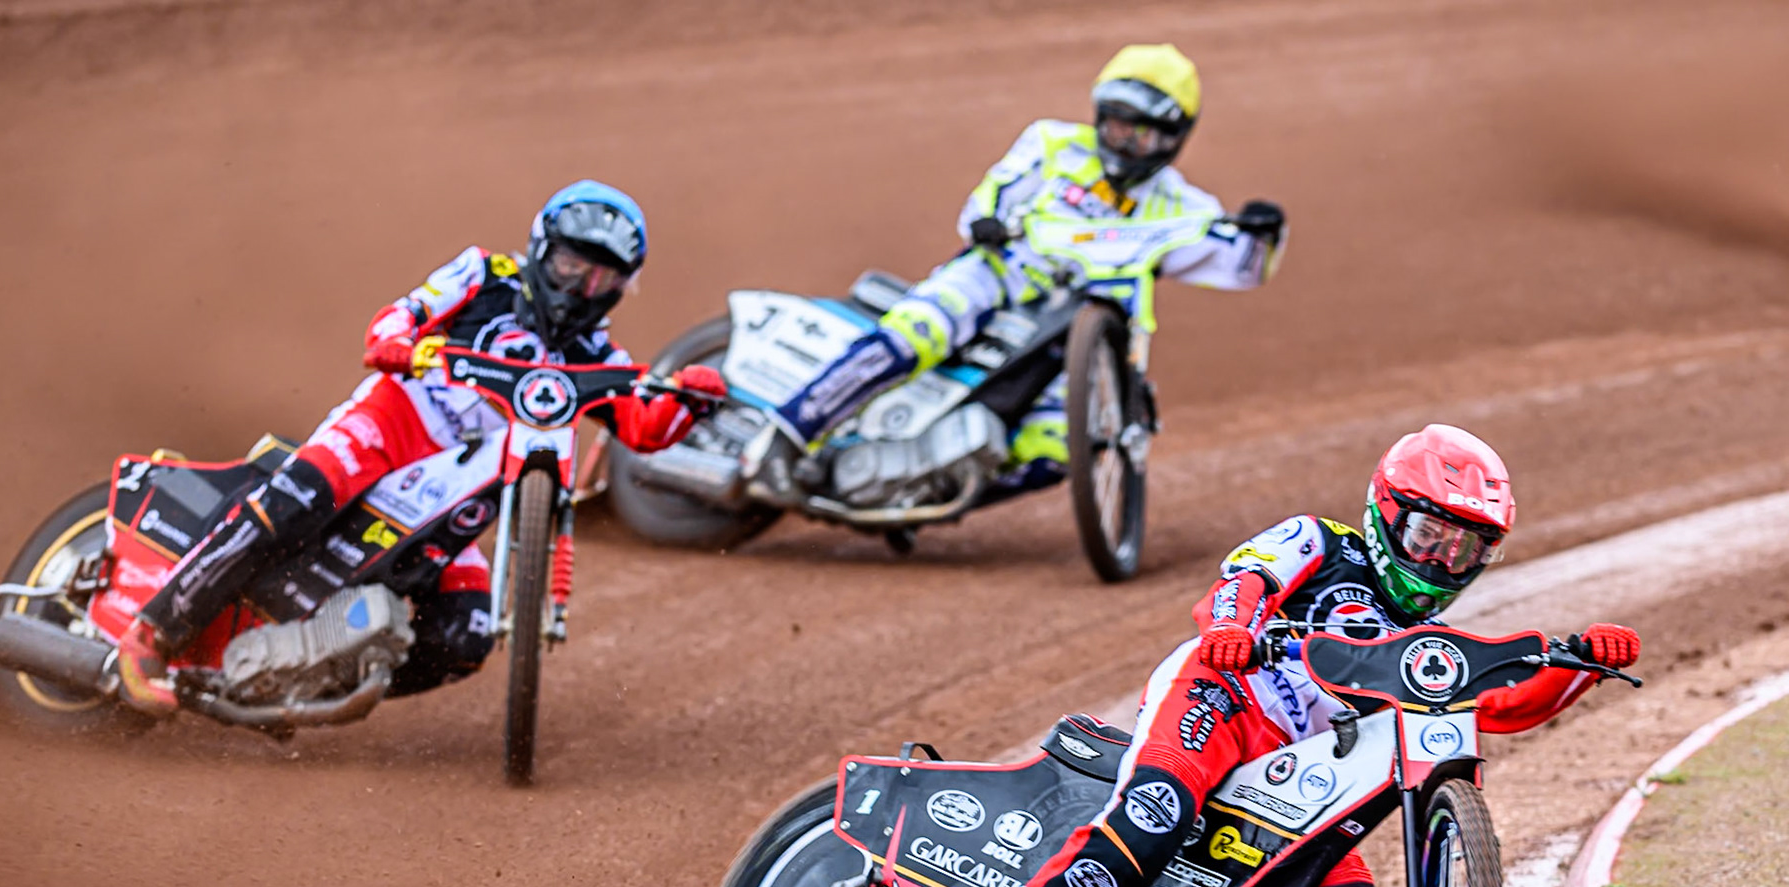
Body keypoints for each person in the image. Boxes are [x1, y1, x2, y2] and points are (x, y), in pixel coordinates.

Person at [914, 423, 1644, 887]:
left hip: (1297, 776)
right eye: (1428, 536)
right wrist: (1232, 627)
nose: (1440, 561)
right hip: (1222, 701)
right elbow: (1244, 580)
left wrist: (1583, 663)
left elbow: (1501, 706)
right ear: (1385, 513)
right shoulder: (1319, 541)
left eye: (1464, 550)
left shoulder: (1427, 647)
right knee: (1150, 819)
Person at [116, 181, 727, 713]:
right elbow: (401, 316)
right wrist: (400, 342)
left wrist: (693, 399)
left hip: (457, 490)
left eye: (602, 278)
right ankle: (151, 634)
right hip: (392, 425)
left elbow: (643, 429)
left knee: (468, 634)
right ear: (543, 249)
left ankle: (308, 683)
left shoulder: (595, 355)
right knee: (297, 498)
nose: (581, 287)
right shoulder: (485, 274)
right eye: (572, 265)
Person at [756, 43, 1286, 500]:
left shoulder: (1183, 205)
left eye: (1144, 135)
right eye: (1119, 126)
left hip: (1076, 342)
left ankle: (923, 490)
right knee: (918, 332)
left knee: (1055, 447)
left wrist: (1265, 232)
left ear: (1175, 138)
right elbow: (992, 195)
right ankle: (781, 442)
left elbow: (1242, 264)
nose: (1126, 144)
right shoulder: (1052, 144)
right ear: (1099, 115)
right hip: (998, 277)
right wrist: (986, 221)